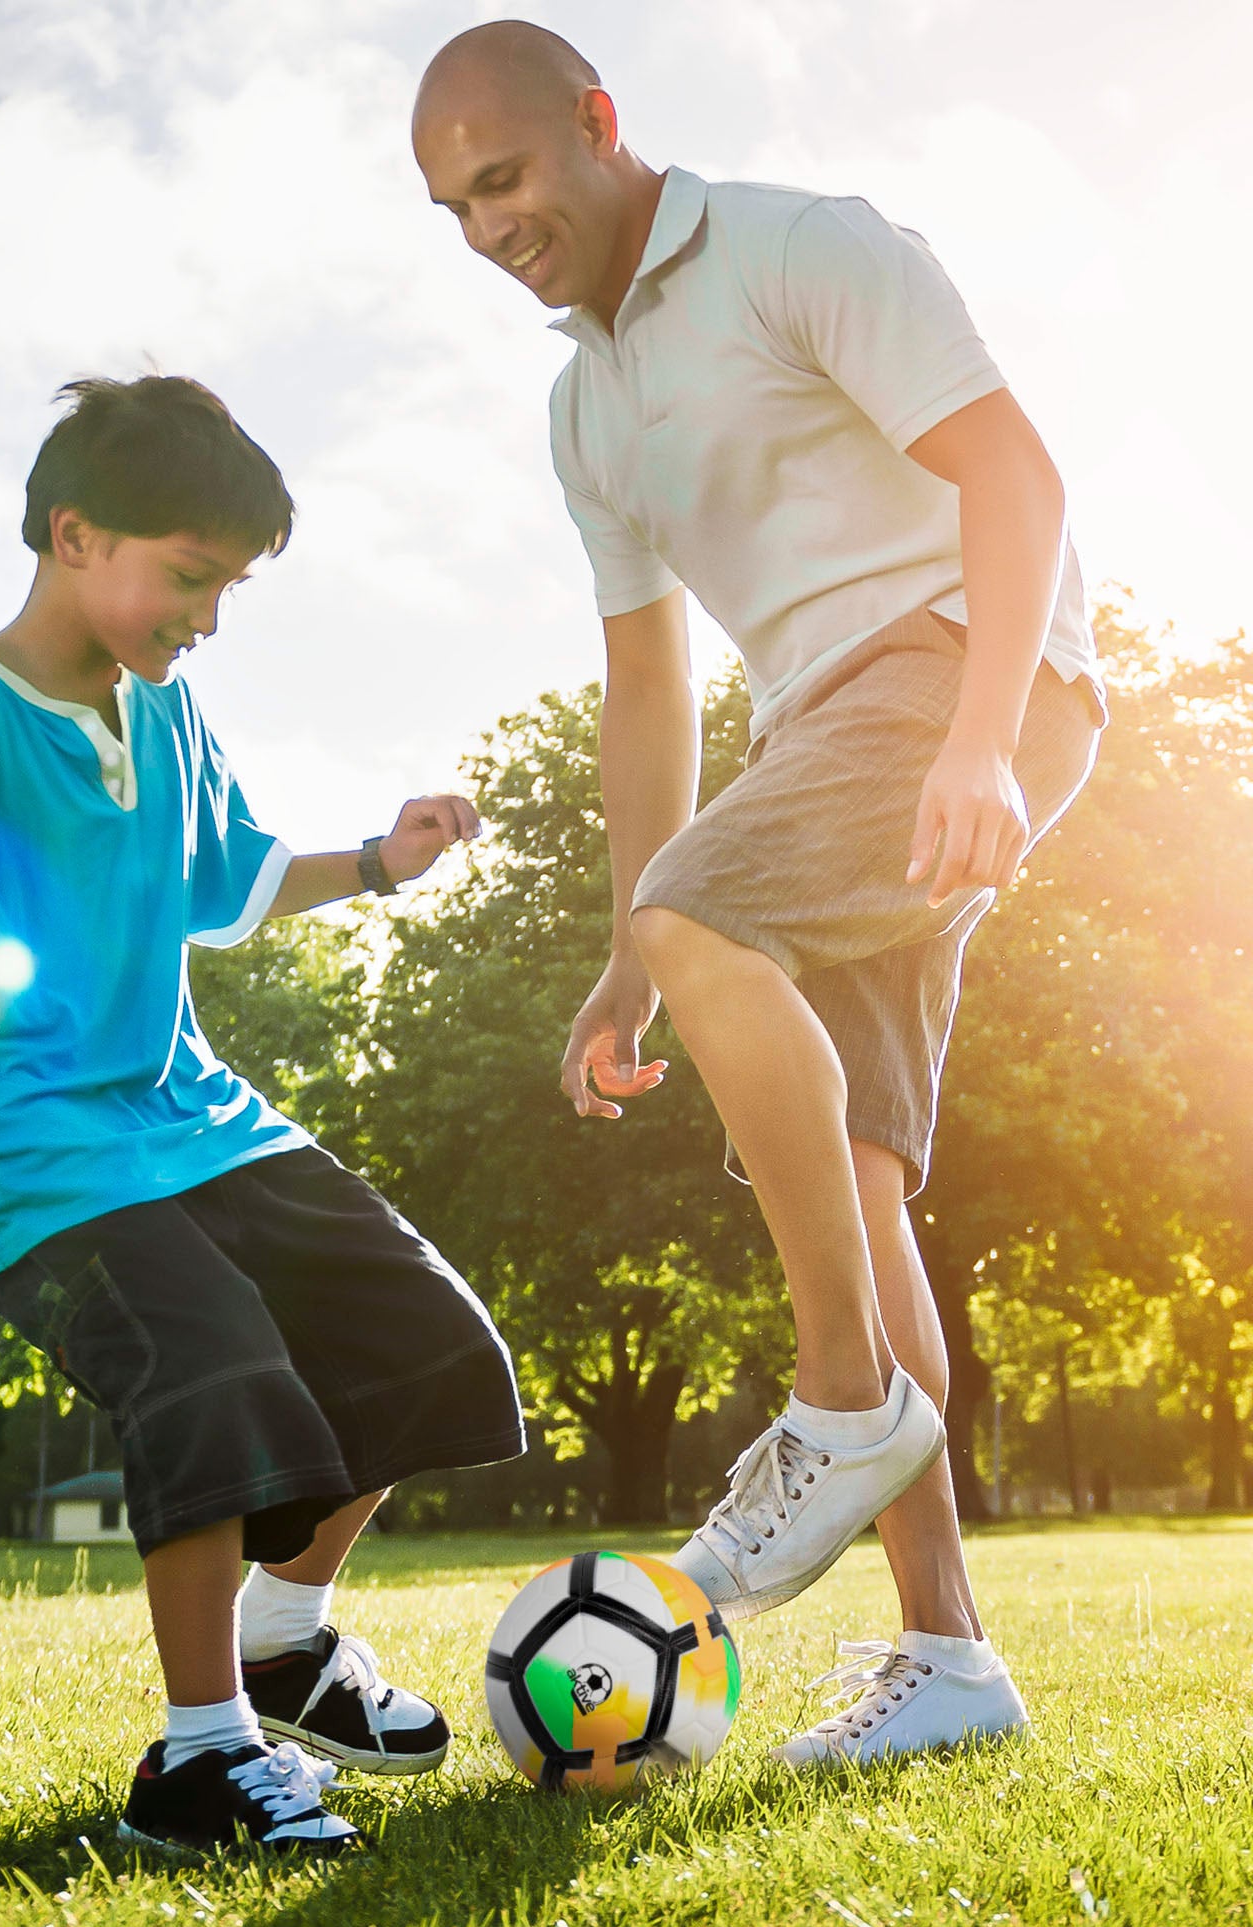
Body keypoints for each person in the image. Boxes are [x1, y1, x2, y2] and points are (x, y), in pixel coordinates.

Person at [412, 23, 1104, 1765]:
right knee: (856, 1172)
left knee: (706, 914)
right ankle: (950, 1663)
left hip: (962, 668)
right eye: (453, 209)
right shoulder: (584, 410)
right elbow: (649, 688)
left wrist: (981, 737)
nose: (488, 229)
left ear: (598, 123)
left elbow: (1016, 475)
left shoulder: (803, 246)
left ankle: (844, 1401)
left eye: (503, 179)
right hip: (819, 733)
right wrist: (628, 956)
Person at [0, 375, 525, 1854]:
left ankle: (283, 1636)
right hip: (42, 1152)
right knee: (212, 1369)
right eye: (191, 576)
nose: (209, 616)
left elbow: (227, 879)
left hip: (196, 1116)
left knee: (428, 1337)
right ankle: (201, 1754)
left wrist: (380, 860)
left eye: (229, 586)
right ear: (75, 536)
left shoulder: (167, 706)